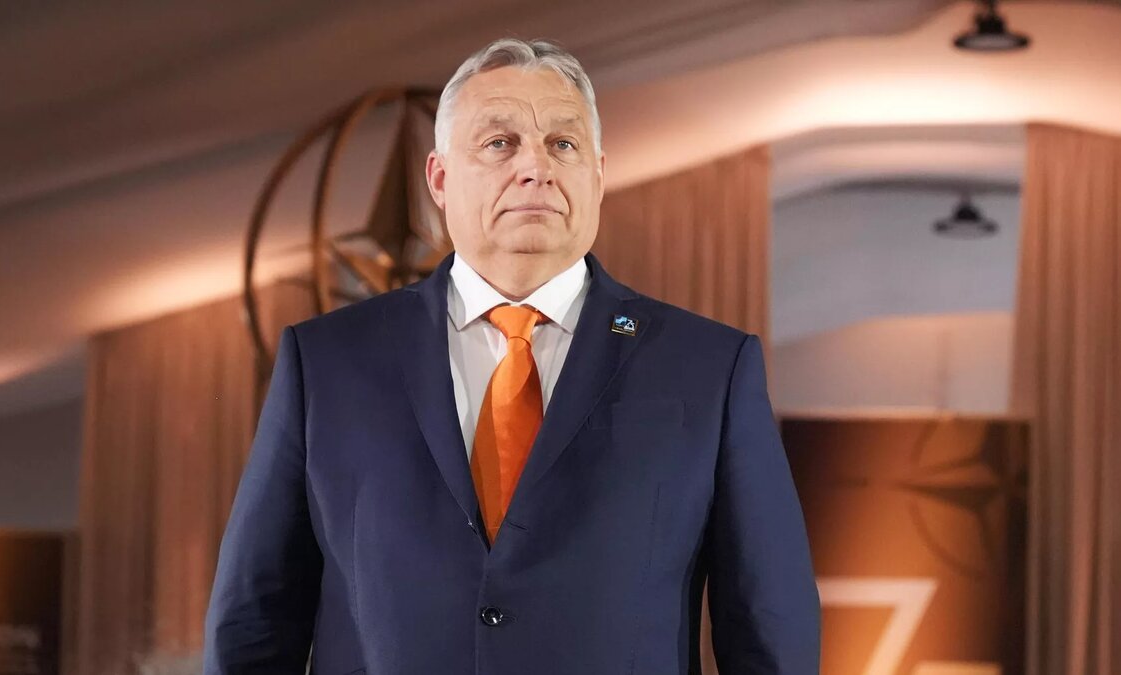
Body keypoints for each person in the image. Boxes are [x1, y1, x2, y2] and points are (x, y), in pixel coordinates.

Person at [204, 37, 819, 675]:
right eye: (500, 143)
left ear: (598, 175)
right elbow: (253, 622)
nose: (536, 168)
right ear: (439, 179)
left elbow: (771, 632)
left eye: (563, 144)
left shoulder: (709, 369)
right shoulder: (327, 365)